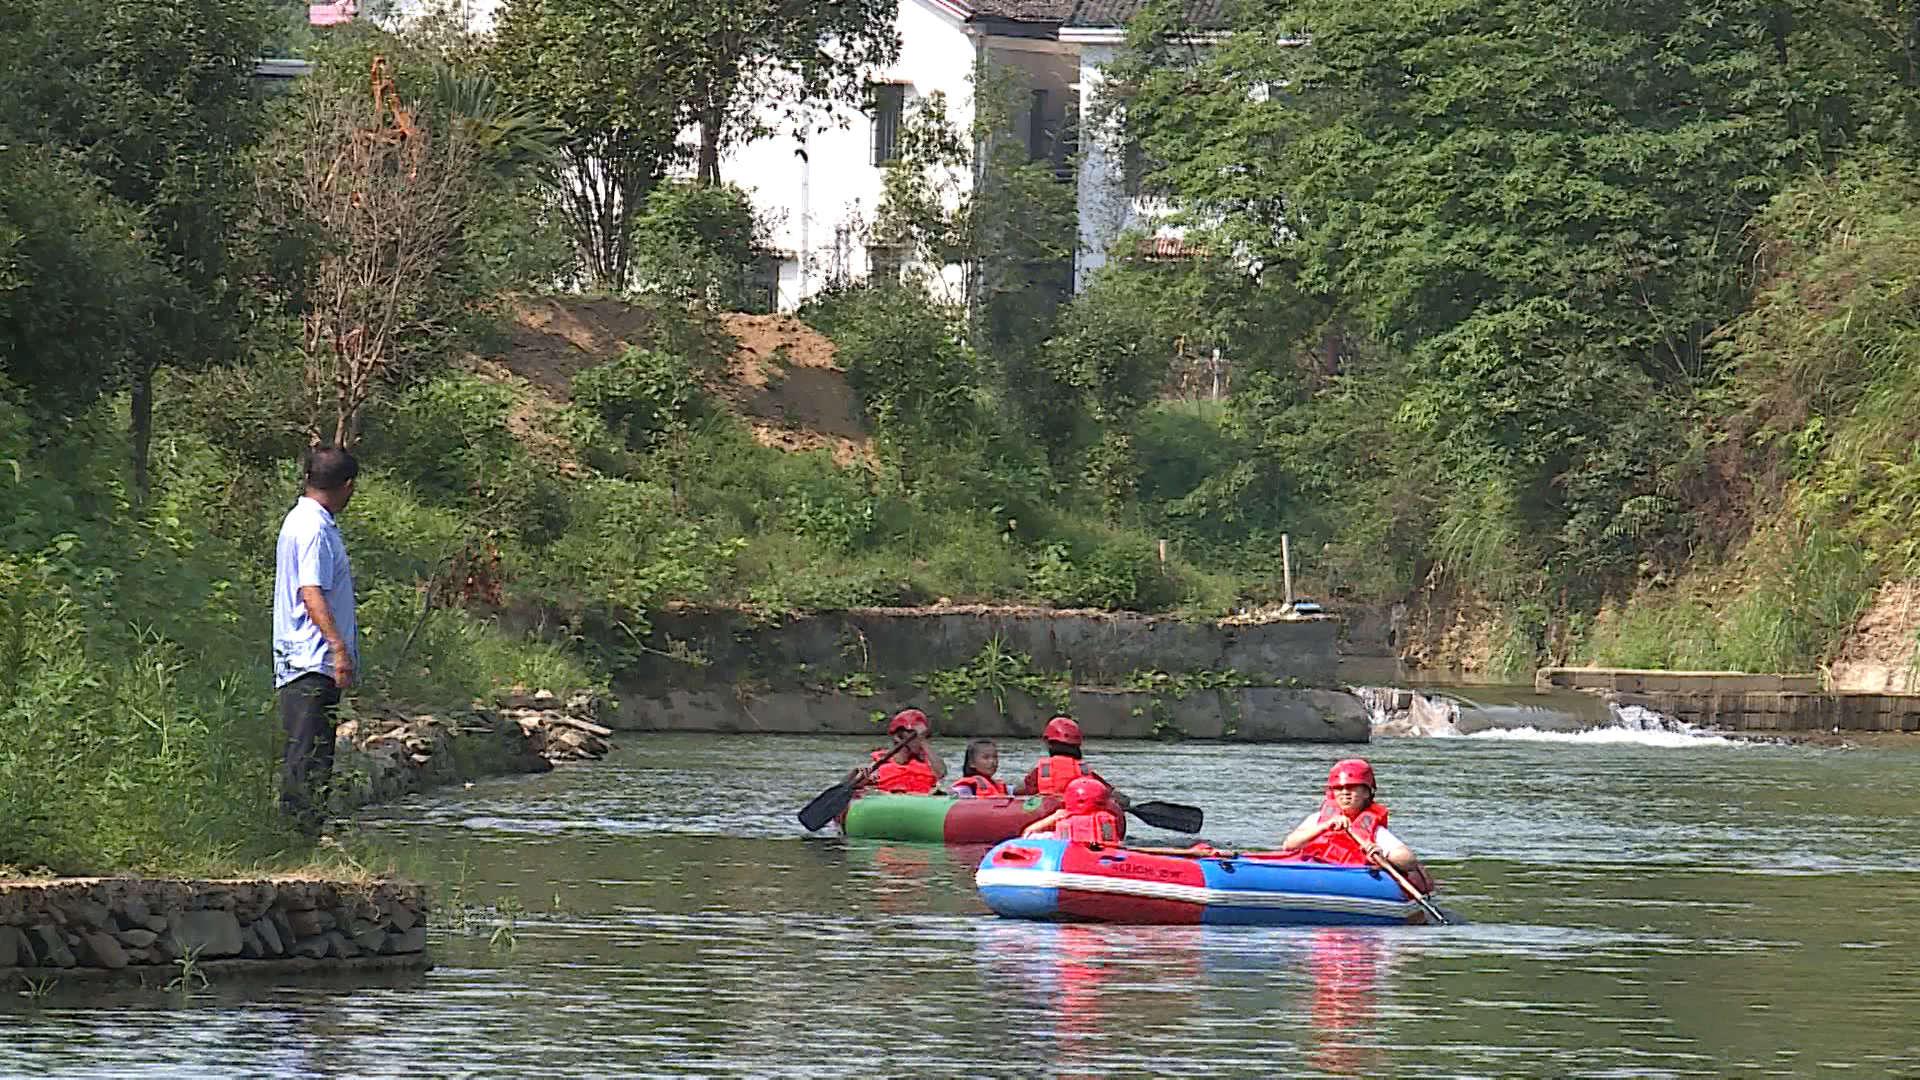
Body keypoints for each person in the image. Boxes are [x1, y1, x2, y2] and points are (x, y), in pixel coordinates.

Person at [272, 445, 361, 837]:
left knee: (312, 749)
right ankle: (298, 831)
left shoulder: (305, 521)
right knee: (307, 752)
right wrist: (338, 648)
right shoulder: (313, 528)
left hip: (304, 657)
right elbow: (312, 592)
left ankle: (306, 829)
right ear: (347, 486)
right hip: (310, 658)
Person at [1281, 758, 1434, 893]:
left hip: (1353, 882)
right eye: (1339, 788)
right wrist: (1325, 826)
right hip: (1315, 873)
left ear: (1367, 793)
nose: (1345, 793)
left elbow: (1408, 859)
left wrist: (1381, 854)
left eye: (1352, 787)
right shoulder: (1316, 820)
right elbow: (1289, 845)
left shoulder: (1376, 832)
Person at [861, 708, 947, 795]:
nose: (919, 740)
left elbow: (941, 773)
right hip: (888, 800)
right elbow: (864, 784)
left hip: (922, 801)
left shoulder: (929, 762)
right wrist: (864, 781)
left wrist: (922, 741)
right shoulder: (880, 763)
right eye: (914, 735)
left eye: (923, 735)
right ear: (898, 737)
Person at [1021, 777, 1122, 844]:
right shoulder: (1107, 825)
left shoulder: (1054, 834)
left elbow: (1027, 834)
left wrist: (1053, 818)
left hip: (1065, 860)